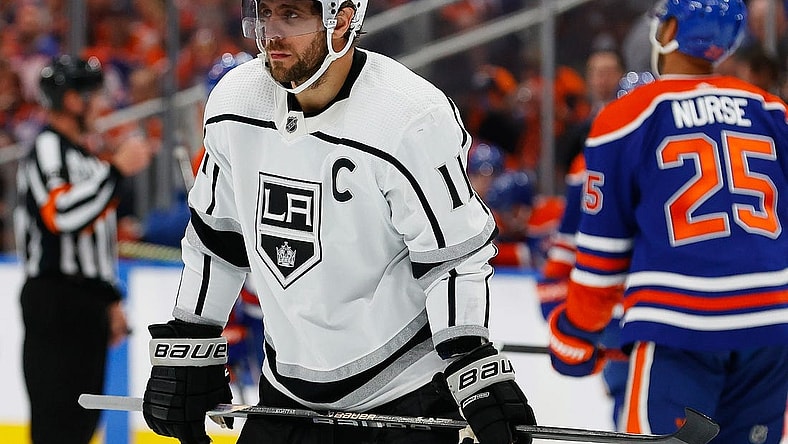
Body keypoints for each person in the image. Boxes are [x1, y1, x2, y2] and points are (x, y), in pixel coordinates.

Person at [140, 1, 537, 444]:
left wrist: (472, 364)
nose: (270, 33)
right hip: (285, 393)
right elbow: (217, 237)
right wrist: (191, 337)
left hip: (403, 398)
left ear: (342, 20)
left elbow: (452, 258)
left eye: (291, 15)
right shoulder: (236, 102)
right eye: (265, 12)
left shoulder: (409, 115)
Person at [547, 0, 788, 442]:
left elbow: (603, 257)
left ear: (671, 28)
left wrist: (575, 332)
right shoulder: (772, 110)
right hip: (770, 327)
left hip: (678, 329)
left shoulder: (627, 114)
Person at [14, 55, 156, 444]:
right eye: (93, 96)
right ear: (73, 101)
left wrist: (109, 300)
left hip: (87, 304)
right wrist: (118, 170)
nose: (101, 105)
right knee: (55, 423)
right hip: (54, 299)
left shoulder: (88, 159)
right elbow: (60, 214)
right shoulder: (46, 147)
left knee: (79, 427)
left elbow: (97, 239)